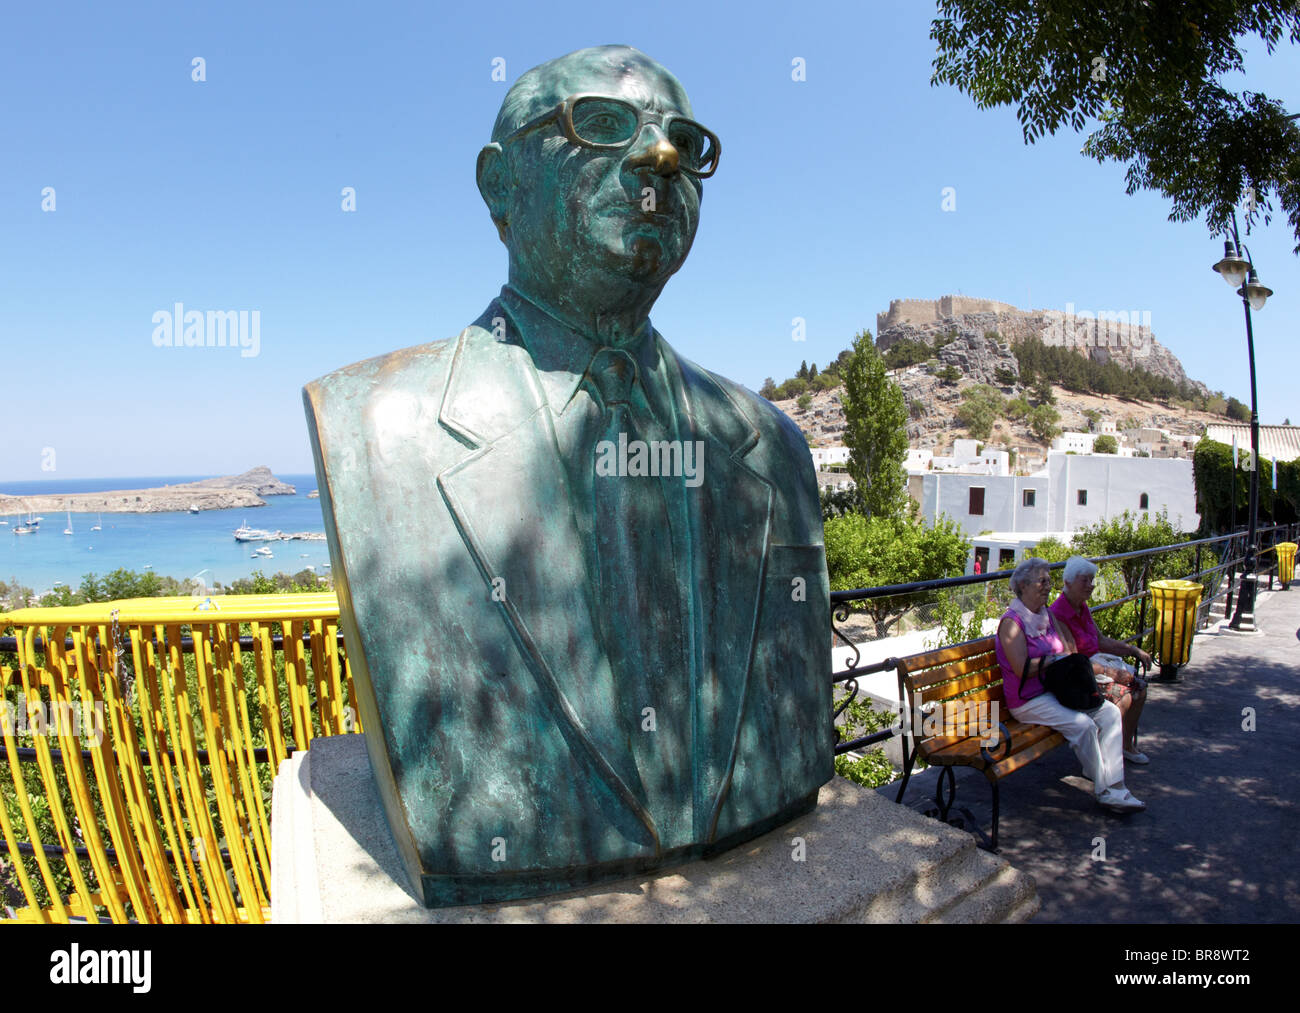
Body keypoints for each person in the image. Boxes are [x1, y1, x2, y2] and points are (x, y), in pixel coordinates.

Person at [302, 46, 832, 906]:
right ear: (500, 185)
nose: (661, 157)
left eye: (685, 142)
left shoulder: (773, 447)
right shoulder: (371, 426)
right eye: (604, 125)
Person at [996, 557, 1145, 813]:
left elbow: (1067, 651)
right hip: (1028, 699)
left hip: (1055, 690)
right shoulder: (1012, 623)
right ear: (1023, 586)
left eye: (1048, 581)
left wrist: (1064, 661)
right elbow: (1022, 669)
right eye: (1042, 581)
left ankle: (1116, 785)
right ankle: (1106, 791)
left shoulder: (1047, 616)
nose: (1047, 587)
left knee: (1108, 712)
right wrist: (1053, 659)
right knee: (1084, 725)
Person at [1050, 556, 1152, 764]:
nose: (1091, 585)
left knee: (1140, 688)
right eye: (1084, 580)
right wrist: (1112, 673)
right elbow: (1073, 661)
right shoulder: (1059, 613)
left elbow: (1100, 640)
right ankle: (1103, 758)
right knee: (1124, 695)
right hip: (1079, 677)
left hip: (1095, 668)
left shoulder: (1082, 606)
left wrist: (1132, 650)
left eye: (1091, 580)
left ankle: (1124, 746)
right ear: (1068, 582)